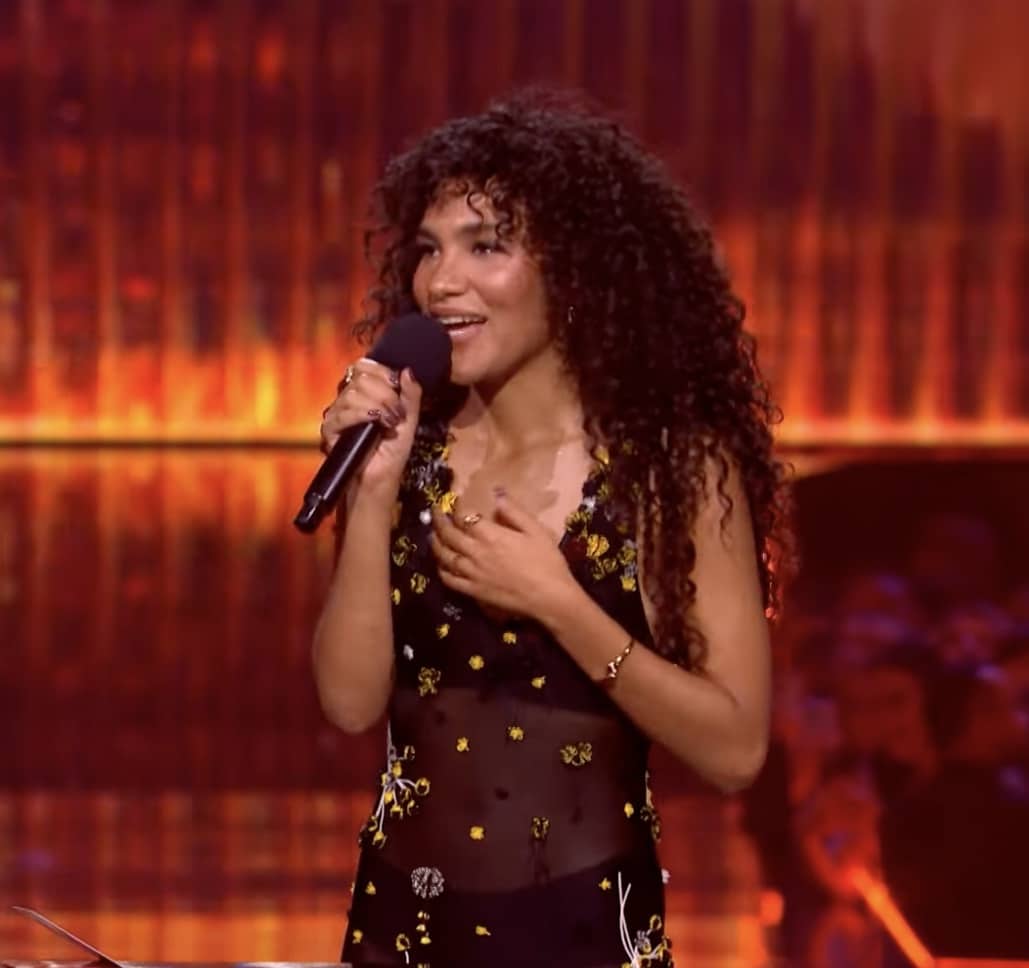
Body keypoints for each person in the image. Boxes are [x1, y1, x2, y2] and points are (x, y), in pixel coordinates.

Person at [311, 89, 788, 968]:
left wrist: (560, 606)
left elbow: (735, 751)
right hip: (399, 931)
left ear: (574, 270)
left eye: (485, 245)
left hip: (581, 933)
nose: (439, 282)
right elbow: (348, 705)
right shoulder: (407, 450)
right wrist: (371, 496)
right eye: (429, 249)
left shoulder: (670, 468)